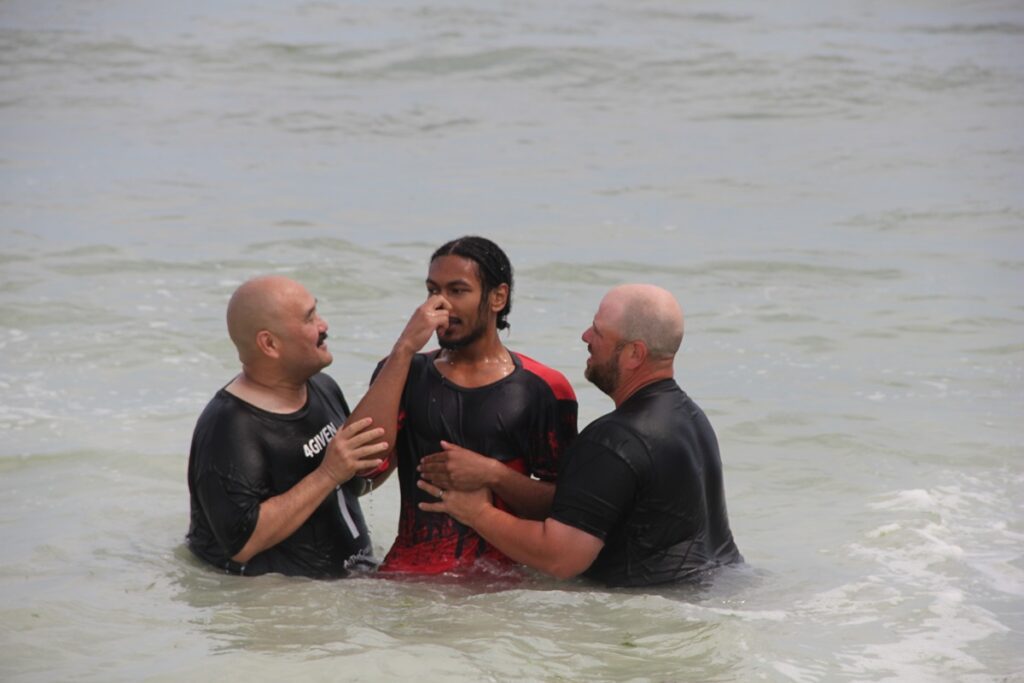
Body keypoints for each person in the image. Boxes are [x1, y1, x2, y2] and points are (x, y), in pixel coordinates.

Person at [418, 284, 742, 587]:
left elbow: (561, 558)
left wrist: (477, 512)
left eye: (598, 332)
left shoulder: (615, 439)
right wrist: (496, 475)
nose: (585, 336)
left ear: (634, 354)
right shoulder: (691, 417)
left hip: (650, 615)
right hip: (714, 589)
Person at [357, 236, 578, 574]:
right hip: (405, 580)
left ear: (497, 297)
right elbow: (363, 468)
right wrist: (403, 348)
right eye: (433, 291)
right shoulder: (402, 371)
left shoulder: (542, 387)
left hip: (500, 589)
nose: (440, 304)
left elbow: (566, 509)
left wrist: (493, 475)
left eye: (457, 291)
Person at [186, 275, 399, 578]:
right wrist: (327, 473)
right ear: (269, 343)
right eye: (310, 318)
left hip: (345, 584)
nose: (324, 325)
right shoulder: (230, 425)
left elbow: (351, 483)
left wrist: (406, 441)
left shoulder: (323, 387)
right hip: (279, 604)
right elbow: (242, 543)